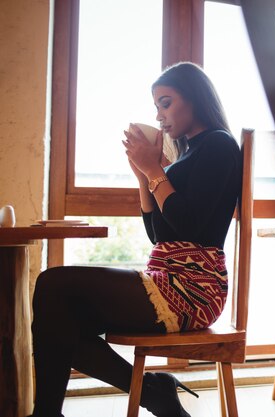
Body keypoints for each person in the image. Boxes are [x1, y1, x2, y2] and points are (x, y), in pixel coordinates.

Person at [29, 62, 243, 417]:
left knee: (53, 284)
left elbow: (189, 227)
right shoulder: (187, 154)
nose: (159, 116)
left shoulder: (218, 145)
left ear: (195, 98)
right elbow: (159, 235)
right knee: (64, 318)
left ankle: (52, 413)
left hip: (194, 288)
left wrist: (155, 170)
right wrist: (144, 177)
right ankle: (153, 392)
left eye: (165, 102)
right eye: (156, 106)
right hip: (169, 279)